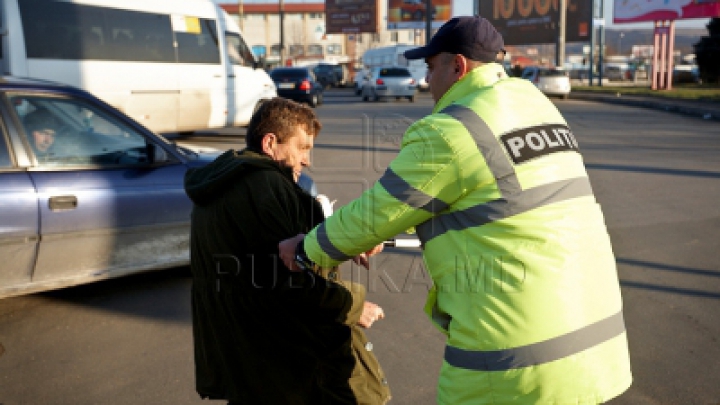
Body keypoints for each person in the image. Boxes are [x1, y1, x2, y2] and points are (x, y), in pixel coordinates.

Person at [279, 16, 632, 404]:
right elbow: (493, 210)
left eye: (431, 68)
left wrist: (304, 250)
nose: (428, 80)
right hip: (596, 346)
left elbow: (377, 212)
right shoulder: (535, 107)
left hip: (517, 361)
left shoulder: (453, 129)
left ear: (458, 67)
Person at [184, 97, 391, 405]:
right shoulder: (265, 187)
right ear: (271, 143)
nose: (307, 160)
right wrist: (352, 304)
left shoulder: (225, 184)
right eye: (303, 147)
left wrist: (342, 243)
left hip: (249, 359)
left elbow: (265, 255)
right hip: (289, 365)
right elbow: (286, 280)